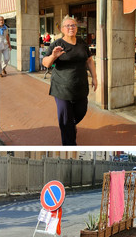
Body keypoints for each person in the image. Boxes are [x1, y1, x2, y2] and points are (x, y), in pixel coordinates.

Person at [42, 15, 98, 146]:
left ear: (77, 28)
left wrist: (95, 78)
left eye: (73, 25)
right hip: (61, 87)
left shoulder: (82, 43)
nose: (71, 28)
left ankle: (71, 126)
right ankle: (69, 143)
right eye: (68, 26)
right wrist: (53, 56)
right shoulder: (57, 44)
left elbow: (89, 60)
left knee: (81, 111)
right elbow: (45, 63)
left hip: (80, 86)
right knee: (65, 120)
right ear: (62, 29)